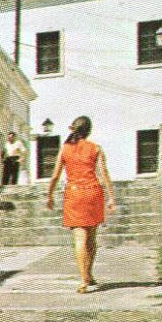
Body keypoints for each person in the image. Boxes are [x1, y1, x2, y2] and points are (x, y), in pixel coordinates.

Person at [45, 116, 116, 293]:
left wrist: (50, 195)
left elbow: (55, 176)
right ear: (89, 131)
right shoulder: (96, 148)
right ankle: (89, 274)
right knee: (91, 238)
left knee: (79, 239)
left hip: (75, 194)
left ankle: (83, 280)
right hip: (93, 193)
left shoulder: (65, 149)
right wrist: (112, 197)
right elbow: (104, 173)